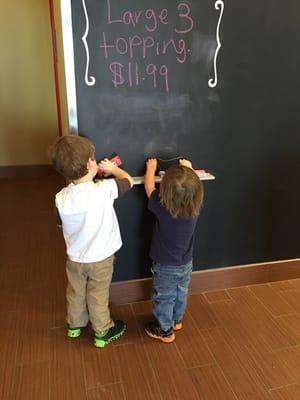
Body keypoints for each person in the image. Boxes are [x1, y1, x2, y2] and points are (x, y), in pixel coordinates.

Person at [50, 135, 133, 348]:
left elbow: (60, 224)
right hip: (101, 258)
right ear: (90, 163)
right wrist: (113, 170)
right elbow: (128, 182)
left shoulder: (60, 197)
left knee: (76, 291)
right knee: (97, 294)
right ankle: (103, 331)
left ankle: (75, 325)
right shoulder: (103, 190)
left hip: (75, 258)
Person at [144, 158, 204, 343]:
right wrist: (188, 167)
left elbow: (148, 188)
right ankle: (177, 320)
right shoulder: (196, 206)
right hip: (186, 261)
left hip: (165, 265)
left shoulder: (162, 207)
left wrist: (151, 169)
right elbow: (195, 186)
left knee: (164, 297)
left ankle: (164, 330)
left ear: (165, 192)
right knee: (181, 292)